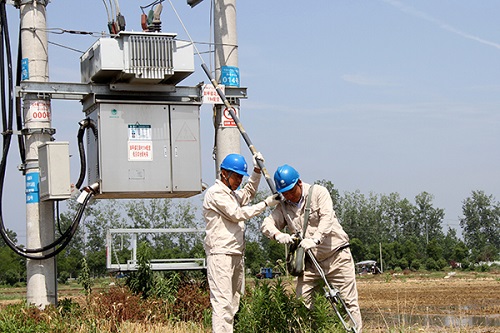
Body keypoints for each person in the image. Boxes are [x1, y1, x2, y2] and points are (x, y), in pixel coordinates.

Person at [261, 164, 362, 332]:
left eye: (291, 191)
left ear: (299, 183)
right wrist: (278, 235)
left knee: (347, 303)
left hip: (336, 257)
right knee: (302, 304)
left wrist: (315, 239)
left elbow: (327, 219)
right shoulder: (284, 206)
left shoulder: (319, 193)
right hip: (310, 265)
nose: (289, 196)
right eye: (284, 193)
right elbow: (267, 224)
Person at [203, 153, 280, 333]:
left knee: (233, 301)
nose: (239, 180)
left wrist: (256, 171)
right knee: (222, 303)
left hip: (236, 253)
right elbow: (237, 214)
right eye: (236, 176)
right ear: (224, 173)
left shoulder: (231, 195)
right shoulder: (215, 194)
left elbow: (247, 193)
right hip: (220, 254)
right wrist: (266, 204)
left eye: (240, 177)